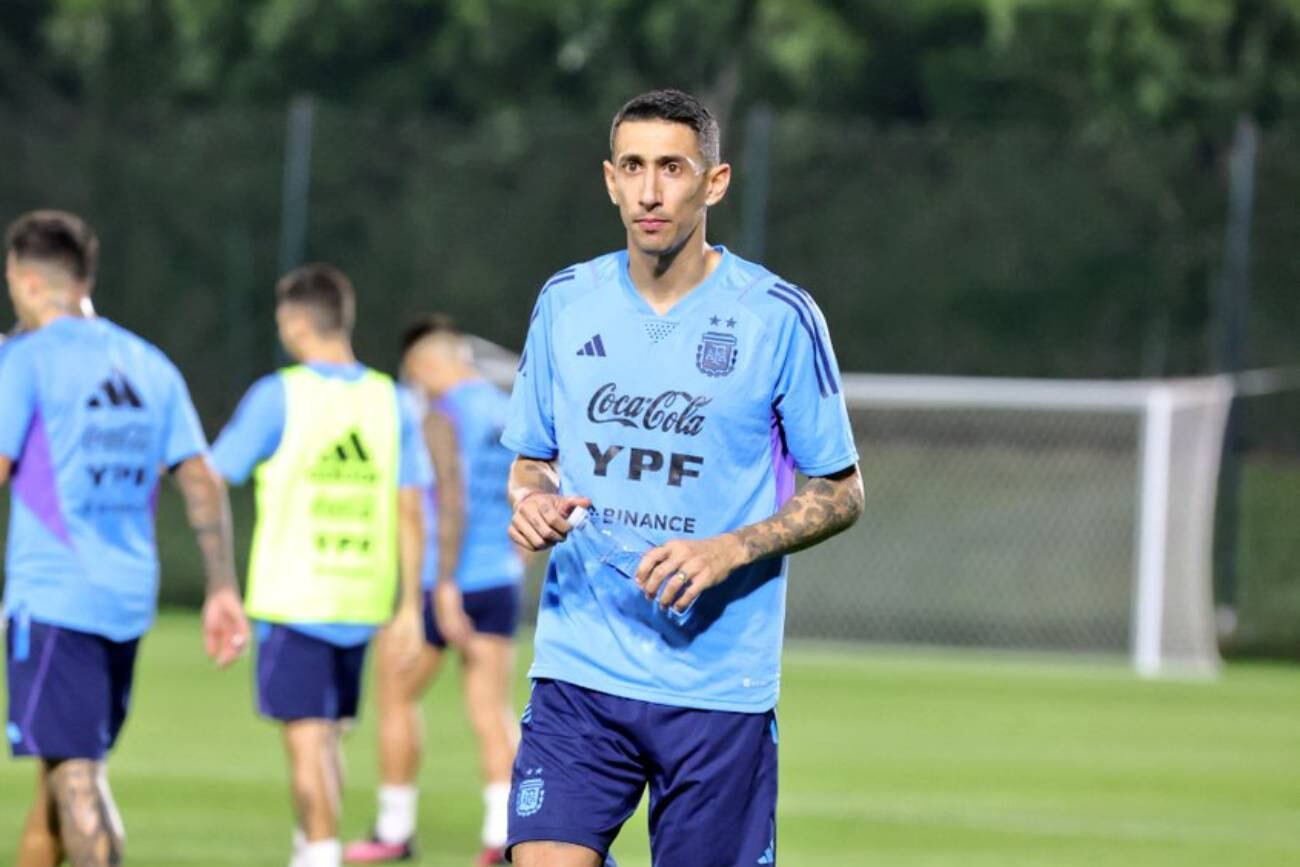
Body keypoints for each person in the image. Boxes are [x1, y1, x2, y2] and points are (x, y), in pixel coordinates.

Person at [502, 89, 865, 867]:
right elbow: (531, 460)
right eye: (632, 167)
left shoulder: (777, 317)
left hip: (716, 684)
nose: (650, 190)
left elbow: (841, 489)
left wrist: (729, 548)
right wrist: (530, 499)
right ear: (608, 178)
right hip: (580, 667)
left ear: (716, 181)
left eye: (672, 167)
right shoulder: (565, 303)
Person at [1, 209, 249, 867]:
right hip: (125, 601)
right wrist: (222, 586)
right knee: (55, 782)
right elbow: (200, 478)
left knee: (76, 776)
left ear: (22, 278)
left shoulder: (25, 360)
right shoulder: (149, 363)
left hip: (55, 598)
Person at [211, 263, 429, 867]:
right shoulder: (390, 399)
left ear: (294, 322)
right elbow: (411, 509)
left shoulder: (280, 394)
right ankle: (315, 847)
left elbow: (213, 472)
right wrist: (410, 604)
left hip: (296, 598)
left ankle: (320, 854)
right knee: (328, 734)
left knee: (306, 740)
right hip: (363, 599)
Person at [346, 316, 524, 866]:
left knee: (396, 696)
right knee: (491, 710)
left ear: (426, 366)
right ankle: (503, 836)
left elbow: (450, 500)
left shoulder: (444, 414)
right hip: (501, 578)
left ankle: (394, 829)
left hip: (447, 581)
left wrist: (444, 584)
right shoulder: (508, 410)